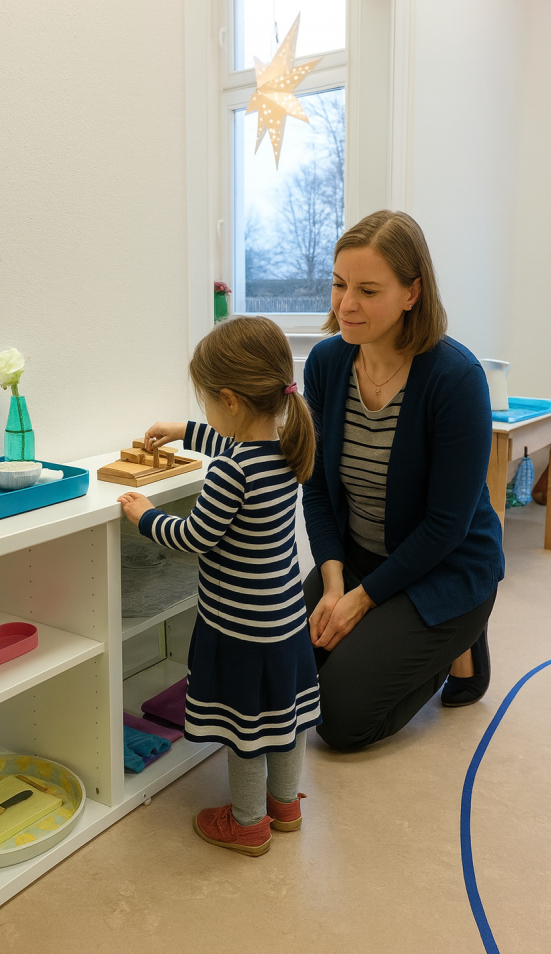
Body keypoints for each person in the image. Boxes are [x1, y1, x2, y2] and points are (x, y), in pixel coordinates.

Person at [302, 209, 505, 752]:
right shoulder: (325, 364)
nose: (346, 304)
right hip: (361, 559)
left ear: (412, 293)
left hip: (446, 567)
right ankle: (416, 638)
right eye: (340, 284)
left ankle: (455, 644)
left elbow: (445, 527)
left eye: (368, 290)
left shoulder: (455, 379)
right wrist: (334, 581)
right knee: (287, 674)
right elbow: (317, 486)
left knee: (340, 722)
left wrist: (364, 601)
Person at [118, 316, 321, 856]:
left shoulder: (230, 472)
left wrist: (144, 515)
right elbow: (233, 437)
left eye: (206, 404)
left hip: (239, 631)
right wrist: (185, 430)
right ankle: (284, 806)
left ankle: (249, 822)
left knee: (245, 729)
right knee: (286, 718)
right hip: (285, 622)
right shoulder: (288, 448)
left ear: (230, 399)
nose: (206, 413)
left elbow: (194, 537)